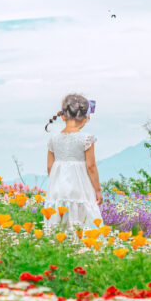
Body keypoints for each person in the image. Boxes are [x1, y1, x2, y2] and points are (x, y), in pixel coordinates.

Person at [44, 94, 102, 232]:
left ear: (63, 116)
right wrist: (98, 190)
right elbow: (91, 166)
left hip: (58, 188)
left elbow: (49, 166)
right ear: (85, 117)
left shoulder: (54, 139)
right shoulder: (86, 139)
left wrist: (56, 181)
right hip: (80, 186)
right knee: (81, 216)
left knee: (59, 218)